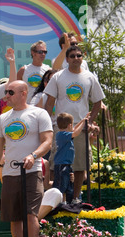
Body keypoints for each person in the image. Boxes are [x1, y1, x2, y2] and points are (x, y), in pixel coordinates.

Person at [0, 80, 53, 237]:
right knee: (14, 218)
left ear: (24, 93)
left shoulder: (39, 113)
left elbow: (47, 140)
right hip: (9, 173)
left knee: (30, 215)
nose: (6, 96)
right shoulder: (2, 119)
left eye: (10, 92)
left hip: (32, 171)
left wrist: (34, 155)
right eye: (6, 92)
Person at [44, 45, 105, 202]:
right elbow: (49, 102)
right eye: (72, 56)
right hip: (60, 127)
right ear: (67, 59)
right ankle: (56, 199)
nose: (76, 58)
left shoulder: (89, 77)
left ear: (82, 57)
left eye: (79, 55)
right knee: (56, 165)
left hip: (80, 127)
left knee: (79, 165)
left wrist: (90, 122)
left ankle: (76, 198)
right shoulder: (58, 77)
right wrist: (48, 124)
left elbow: (98, 102)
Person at [53, 112, 90, 203]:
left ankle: (65, 201)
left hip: (66, 164)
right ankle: (59, 202)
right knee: (62, 184)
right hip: (62, 165)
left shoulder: (64, 134)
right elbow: (76, 132)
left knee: (68, 184)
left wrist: (83, 120)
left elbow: (74, 130)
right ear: (69, 125)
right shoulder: (62, 135)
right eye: (72, 125)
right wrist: (83, 123)